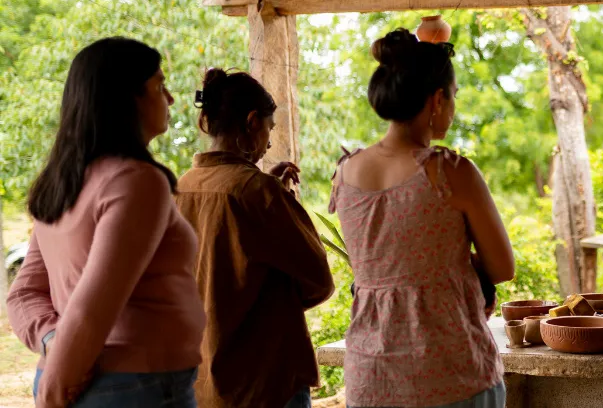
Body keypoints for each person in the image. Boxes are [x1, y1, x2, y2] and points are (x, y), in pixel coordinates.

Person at [7, 37, 206, 407]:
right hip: (133, 386)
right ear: (127, 97)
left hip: (93, 377)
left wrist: (52, 341)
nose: (170, 99)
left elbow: (24, 295)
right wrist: (55, 386)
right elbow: (92, 307)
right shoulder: (137, 181)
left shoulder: (65, 183)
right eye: (159, 86)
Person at [330, 29, 514, 408]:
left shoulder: (345, 172)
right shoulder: (450, 171)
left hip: (369, 376)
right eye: (454, 96)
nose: (453, 107)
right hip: (449, 371)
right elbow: (502, 267)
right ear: (437, 99)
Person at [175, 68, 335, 407]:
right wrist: (272, 196)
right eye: (269, 129)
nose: (269, 143)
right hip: (266, 382)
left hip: (202, 383)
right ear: (251, 123)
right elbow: (319, 281)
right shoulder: (257, 193)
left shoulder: (181, 188)